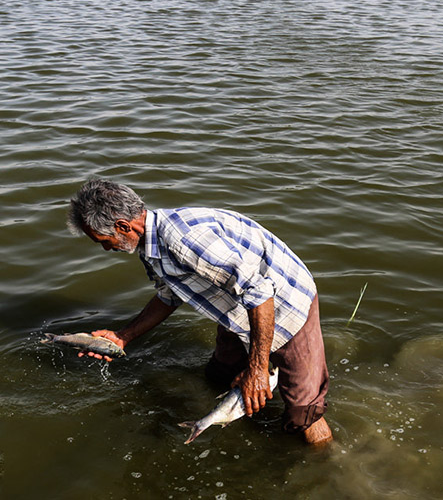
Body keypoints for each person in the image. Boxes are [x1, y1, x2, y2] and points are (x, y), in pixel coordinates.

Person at [67, 178, 333, 445]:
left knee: (302, 415)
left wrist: (257, 369)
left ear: (123, 226)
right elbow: (169, 295)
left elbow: (261, 293)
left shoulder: (183, 241)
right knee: (219, 376)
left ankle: (327, 466)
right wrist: (123, 336)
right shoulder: (150, 246)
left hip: (286, 307)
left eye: (103, 240)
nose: (105, 248)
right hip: (238, 309)